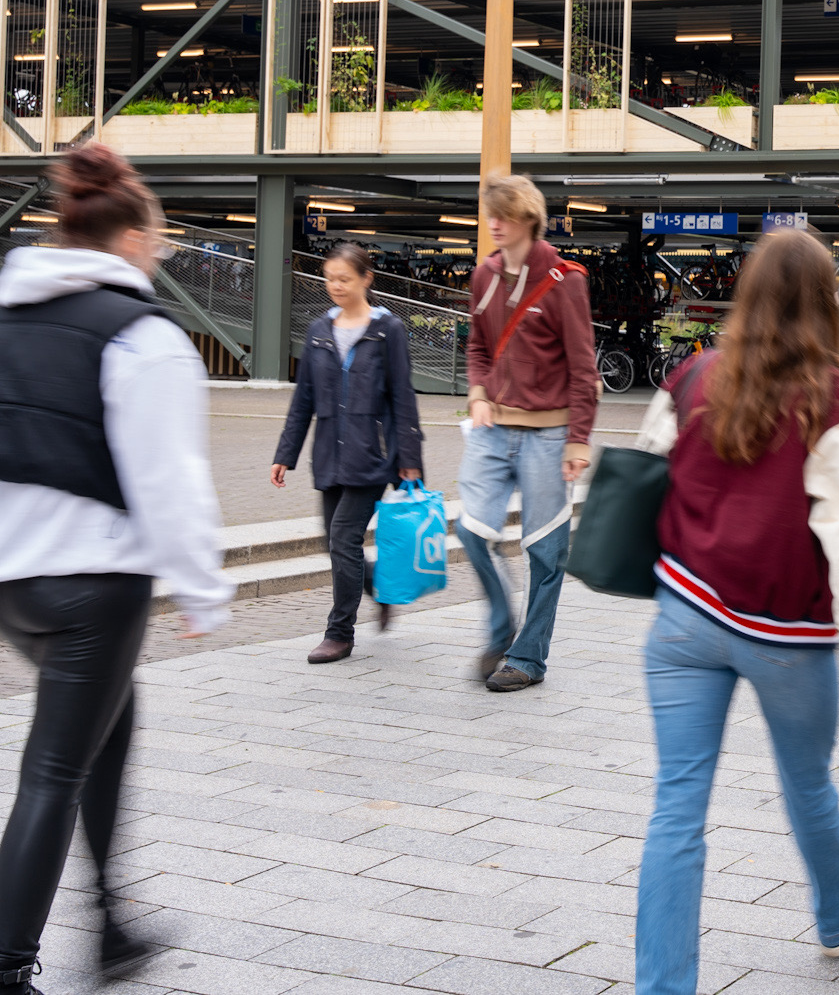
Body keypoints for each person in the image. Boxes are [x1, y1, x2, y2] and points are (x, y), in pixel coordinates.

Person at [633, 230, 839, 994]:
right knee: (807, 786)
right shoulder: (836, 400)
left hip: (684, 617)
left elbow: (645, 471)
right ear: (826, 302)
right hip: (785, 632)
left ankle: (663, 986)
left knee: (676, 805)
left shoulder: (694, 375)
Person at [0, 144, 233, 992]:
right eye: (160, 243)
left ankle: (108, 922)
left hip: (13, 579)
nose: (160, 257)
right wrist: (203, 588)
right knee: (54, 770)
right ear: (132, 241)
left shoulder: (9, 315)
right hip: (95, 584)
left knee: (110, 721)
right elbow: (168, 482)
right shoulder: (144, 338)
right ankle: (7, 966)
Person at [457, 174, 598, 693]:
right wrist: (477, 393)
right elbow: (478, 347)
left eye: (506, 215)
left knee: (545, 550)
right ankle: (502, 628)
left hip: (548, 433)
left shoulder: (566, 280)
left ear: (529, 219)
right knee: (472, 530)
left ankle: (528, 658)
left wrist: (578, 439)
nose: (495, 223)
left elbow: (583, 368)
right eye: (491, 213)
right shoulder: (484, 275)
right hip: (492, 426)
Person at [271, 243, 426, 663]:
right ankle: (380, 588)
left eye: (344, 279)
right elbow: (303, 398)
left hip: (371, 456)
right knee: (337, 543)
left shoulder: (387, 329)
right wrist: (285, 453)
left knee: (343, 537)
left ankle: (339, 634)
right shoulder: (319, 330)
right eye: (330, 279)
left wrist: (410, 459)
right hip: (329, 455)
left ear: (365, 279)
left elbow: (402, 396)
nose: (335, 286)